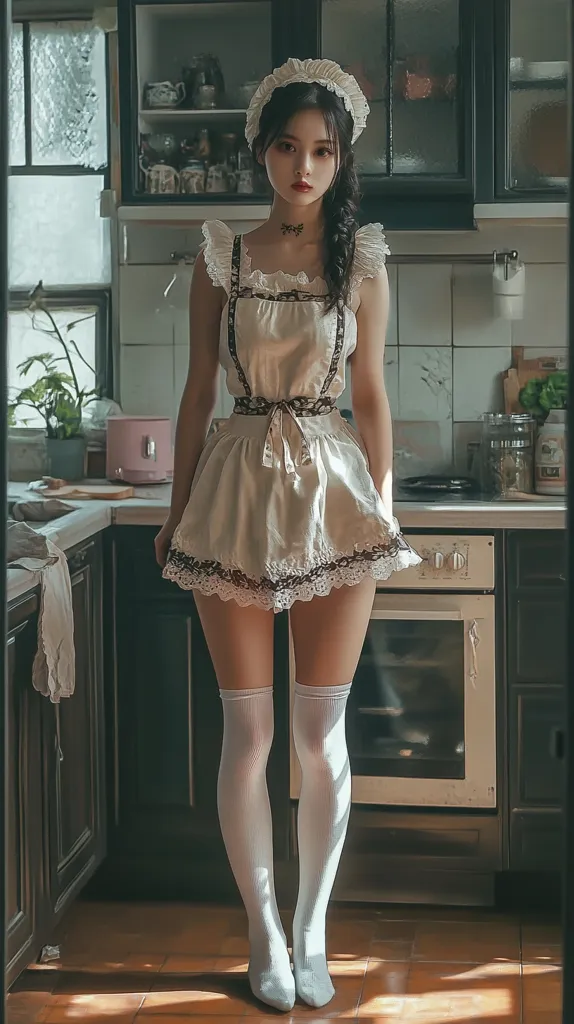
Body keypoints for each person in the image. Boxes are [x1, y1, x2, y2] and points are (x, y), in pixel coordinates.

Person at [155, 57, 420, 1013]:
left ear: (340, 160)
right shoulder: (221, 256)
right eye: (286, 148)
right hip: (231, 491)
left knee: (318, 732)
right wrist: (174, 508)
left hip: (333, 493)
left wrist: (383, 509)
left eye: (321, 152)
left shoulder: (363, 261)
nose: (302, 167)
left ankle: (313, 929)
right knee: (250, 729)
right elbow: (193, 397)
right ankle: (262, 931)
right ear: (260, 151)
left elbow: (375, 398)